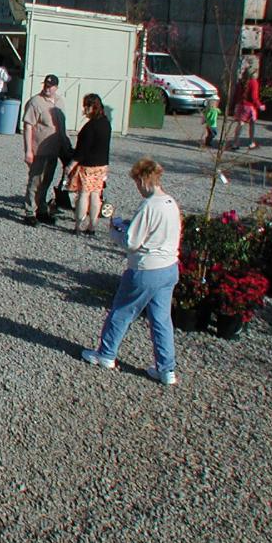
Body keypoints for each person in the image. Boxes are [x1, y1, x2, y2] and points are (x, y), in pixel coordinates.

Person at [82, 158, 181, 385]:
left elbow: (131, 242)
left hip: (146, 270)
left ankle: (106, 354)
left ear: (144, 180)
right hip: (169, 268)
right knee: (161, 320)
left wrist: (115, 231)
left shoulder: (149, 206)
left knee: (122, 311)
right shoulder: (170, 202)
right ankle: (166, 369)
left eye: (137, 182)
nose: (137, 187)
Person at [21, 73, 68, 226]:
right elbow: (28, 126)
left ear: (56, 87)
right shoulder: (35, 102)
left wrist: (65, 145)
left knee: (46, 181)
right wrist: (28, 150)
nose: (47, 88)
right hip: (39, 149)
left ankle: (42, 210)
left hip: (55, 149)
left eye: (51, 86)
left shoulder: (60, 102)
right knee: (35, 181)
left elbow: (62, 126)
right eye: (46, 85)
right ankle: (30, 212)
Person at [64, 93, 112, 235]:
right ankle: (92, 226)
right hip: (102, 165)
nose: (84, 110)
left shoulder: (90, 127)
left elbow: (81, 151)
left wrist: (70, 166)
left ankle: (78, 225)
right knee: (96, 194)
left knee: (83, 195)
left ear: (92, 107)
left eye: (86, 106)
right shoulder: (106, 123)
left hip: (88, 166)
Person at [232, 65, 263, 149]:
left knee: (240, 124)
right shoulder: (253, 82)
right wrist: (260, 105)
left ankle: (235, 143)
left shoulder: (240, 82)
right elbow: (254, 97)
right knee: (252, 124)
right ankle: (251, 142)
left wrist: (234, 105)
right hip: (249, 106)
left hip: (239, 105)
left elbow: (235, 95)